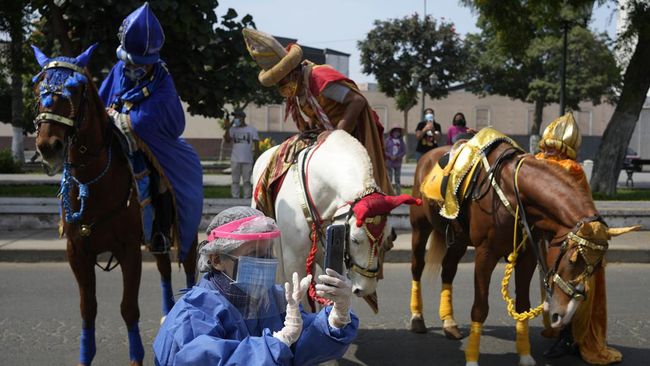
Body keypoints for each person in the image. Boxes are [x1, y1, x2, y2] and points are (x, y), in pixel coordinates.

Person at [153, 206, 358, 365]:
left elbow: (303, 347)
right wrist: (277, 344)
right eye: (254, 255)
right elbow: (205, 359)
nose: (266, 262)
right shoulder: (192, 314)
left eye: (269, 254)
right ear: (216, 259)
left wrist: (337, 317)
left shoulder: (273, 299)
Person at [98, 2, 203, 259]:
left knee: (161, 182)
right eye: (130, 62)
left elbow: (150, 119)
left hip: (149, 145)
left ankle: (161, 232)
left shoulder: (161, 78)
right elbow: (102, 99)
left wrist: (124, 118)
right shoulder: (118, 70)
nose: (134, 68)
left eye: (141, 64)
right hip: (113, 138)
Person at [242, 28, 393, 194]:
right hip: (325, 136)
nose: (281, 86)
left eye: (281, 79)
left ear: (292, 71)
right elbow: (318, 114)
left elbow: (357, 101)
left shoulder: (318, 77)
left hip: (353, 135)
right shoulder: (300, 89)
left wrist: (337, 135)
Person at [536, 112, 621, 365]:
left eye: (553, 145)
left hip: (570, 241)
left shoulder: (559, 166)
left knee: (570, 289)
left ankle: (570, 337)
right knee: (559, 288)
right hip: (558, 239)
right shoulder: (551, 164)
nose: (549, 151)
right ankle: (564, 332)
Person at [224, 109, 260, 199]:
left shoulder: (252, 129)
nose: (235, 119)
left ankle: (247, 197)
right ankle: (235, 197)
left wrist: (257, 157)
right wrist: (228, 128)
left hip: (247, 159)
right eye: (235, 117)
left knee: (247, 180)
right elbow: (227, 140)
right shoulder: (232, 129)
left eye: (237, 117)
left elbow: (256, 144)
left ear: (243, 118)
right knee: (235, 180)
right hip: (235, 159)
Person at [384, 125, 406, 194]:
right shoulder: (388, 141)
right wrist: (390, 156)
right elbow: (384, 150)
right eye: (395, 131)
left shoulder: (401, 141)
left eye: (398, 132)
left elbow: (404, 151)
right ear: (392, 132)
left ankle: (398, 193)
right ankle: (389, 192)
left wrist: (398, 156)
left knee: (397, 179)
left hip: (398, 163)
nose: (396, 133)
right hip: (389, 162)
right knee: (389, 178)